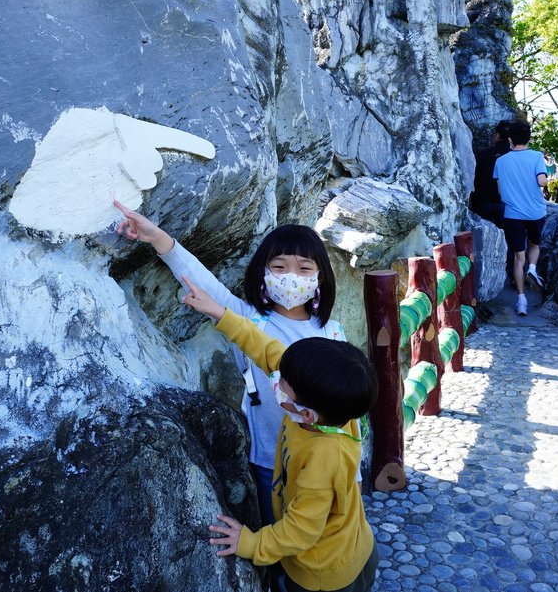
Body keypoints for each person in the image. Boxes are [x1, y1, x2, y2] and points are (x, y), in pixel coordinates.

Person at [114, 201, 345, 526]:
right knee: (278, 532)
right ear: (263, 272)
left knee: (322, 532)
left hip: (323, 458)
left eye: (304, 269)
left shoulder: (333, 333)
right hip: (269, 461)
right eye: (279, 267)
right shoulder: (248, 320)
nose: (292, 277)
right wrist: (158, 239)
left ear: (320, 277)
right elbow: (201, 280)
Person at [180, 277, 379, 592]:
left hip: (324, 573)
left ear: (306, 414)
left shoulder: (325, 457)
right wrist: (220, 313)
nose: (276, 378)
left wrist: (251, 543)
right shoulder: (326, 406)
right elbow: (268, 349)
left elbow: (302, 530)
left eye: (282, 382)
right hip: (351, 540)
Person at [492, 120, 547, 316]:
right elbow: (541, 180)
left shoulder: (501, 161)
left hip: (512, 214)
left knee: (518, 257)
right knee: (535, 244)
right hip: (535, 212)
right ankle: (532, 268)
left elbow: (500, 190)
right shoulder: (537, 156)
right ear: (529, 139)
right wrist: (547, 180)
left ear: (509, 139)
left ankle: (521, 301)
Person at [470, 120, 513, 226]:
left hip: (484, 202)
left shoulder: (484, 154)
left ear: (497, 135)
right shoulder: (516, 156)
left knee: (482, 236)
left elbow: (477, 179)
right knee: (507, 239)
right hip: (507, 204)